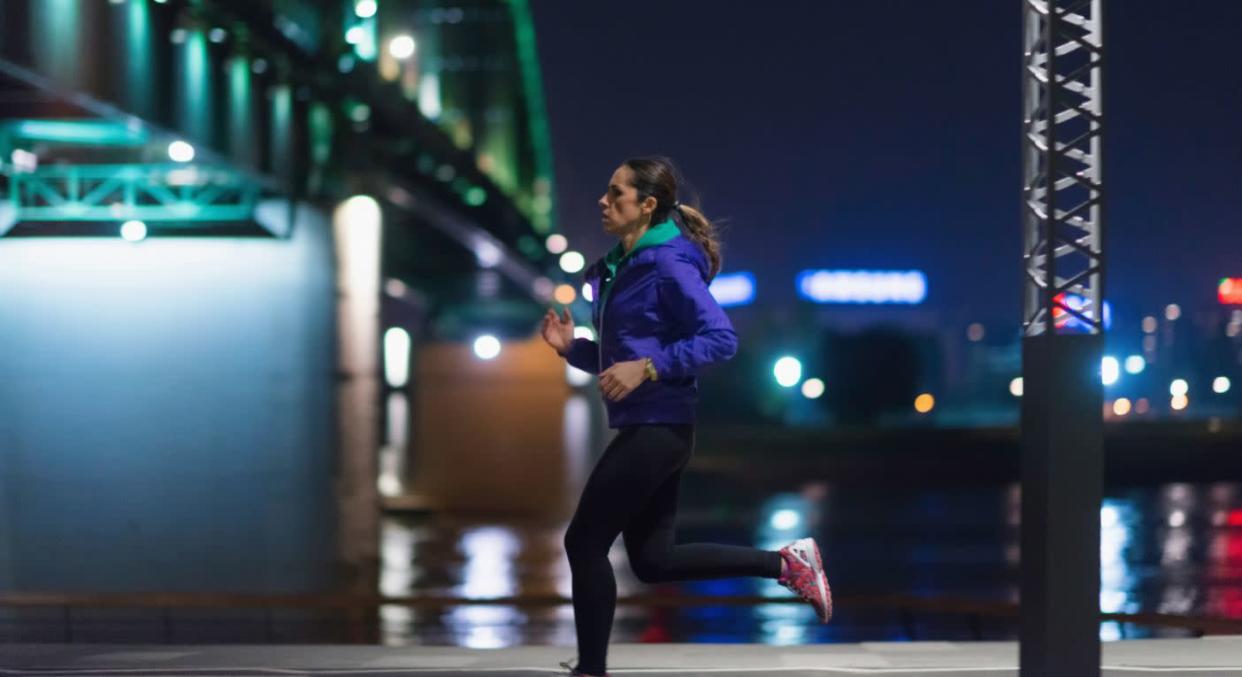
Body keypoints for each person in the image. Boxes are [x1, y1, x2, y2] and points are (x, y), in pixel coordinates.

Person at [540, 157, 832, 677]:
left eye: (616, 193)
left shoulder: (667, 263)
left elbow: (720, 338)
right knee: (652, 563)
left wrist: (649, 368)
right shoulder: (622, 266)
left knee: (583, 542)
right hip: (651, 427)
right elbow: (620, 362)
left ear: (647, 205)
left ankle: (591, 670)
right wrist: (575, 349)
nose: (602, 202)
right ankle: (786, 564)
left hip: (659, 428)